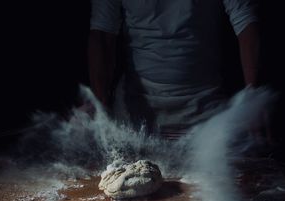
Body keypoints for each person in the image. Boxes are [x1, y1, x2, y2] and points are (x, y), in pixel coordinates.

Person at [88, 0, 260, 138]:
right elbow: (102, 34)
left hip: (204, 108)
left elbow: (246, 23)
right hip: (136, 110)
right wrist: (99, 101)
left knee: (221, 179)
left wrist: (254, 97)